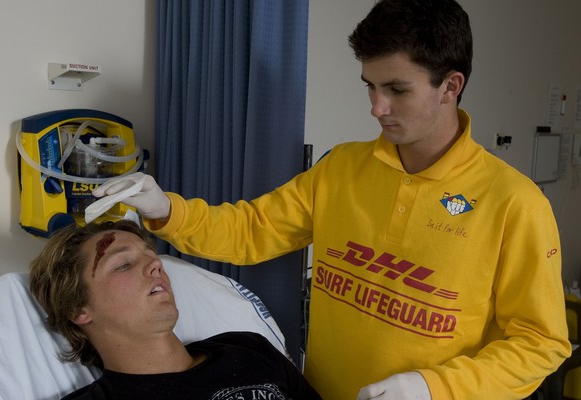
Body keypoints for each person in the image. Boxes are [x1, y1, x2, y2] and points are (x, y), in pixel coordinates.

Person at [92, 0, 571, 398]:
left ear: (451, 86)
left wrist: (434, 388)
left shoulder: (514, 203)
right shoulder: (343, 168)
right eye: (370, 86)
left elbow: (540, 344)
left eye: (396, 90)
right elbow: (252, 231)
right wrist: (166, 209)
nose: (376, 107)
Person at [29, 220, 321, 400]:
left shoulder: (248, 349)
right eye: (123, 264)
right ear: (78, 308)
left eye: (152, 255)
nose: (156, 265)